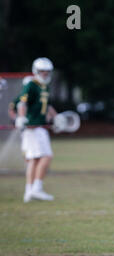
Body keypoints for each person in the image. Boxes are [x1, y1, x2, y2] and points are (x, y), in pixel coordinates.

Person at [15, 57, 59, 203]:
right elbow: (22, 103)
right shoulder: (31, 85)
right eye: (42, 71)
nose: (45, 74)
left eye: (47, 71)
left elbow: (48, 106)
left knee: (34, 160)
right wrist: (21, 118)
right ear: (36, 71)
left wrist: (57, 118)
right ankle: (37, 188)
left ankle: (29, 191)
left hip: (40, 126)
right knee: (46, 156)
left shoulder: (45, 86)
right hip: (34, 127)